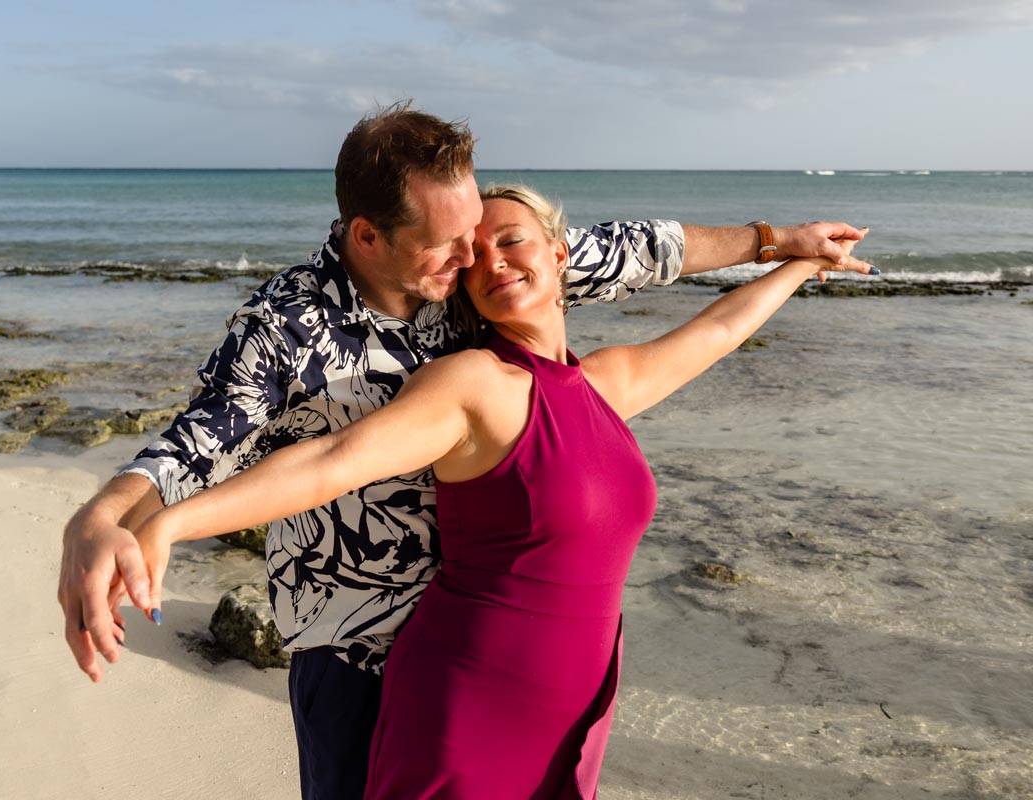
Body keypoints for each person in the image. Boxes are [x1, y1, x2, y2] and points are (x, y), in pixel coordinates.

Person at [57, 101, 873, 799]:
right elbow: (221, 441)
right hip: (356, 646)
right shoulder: (289, 325)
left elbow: (645, 256)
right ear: (369, 236)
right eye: (453, 245)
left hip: (507, 646)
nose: (476, 254)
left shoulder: (487, 278)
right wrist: (110, 518)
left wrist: (780, 243)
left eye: (486, 232)